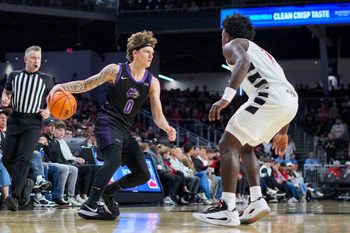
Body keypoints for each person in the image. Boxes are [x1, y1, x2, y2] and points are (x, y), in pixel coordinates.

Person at [48, 31, 176, 220]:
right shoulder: (115, 71)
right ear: (135, 53)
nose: (151, 56)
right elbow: (85, 84)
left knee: (143, 175)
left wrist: (167, 128)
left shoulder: (152, 82)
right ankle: (90, 204)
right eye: (147, 51)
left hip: (125, 130)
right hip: (107, 123)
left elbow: (157, 115)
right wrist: (61, 87)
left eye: (152, 52)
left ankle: (108, 192)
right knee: (113, 161)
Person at [193, 14, 298, 226]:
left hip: (269, 95)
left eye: (222, 32)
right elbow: (284, 86)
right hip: (291, 100)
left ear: (226, 33)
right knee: (245, 146)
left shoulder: (232, 44)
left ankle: (227, 208)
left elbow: (244, 62)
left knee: (226, 144)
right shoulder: (265, 53)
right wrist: (284, 131)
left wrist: (225, 99)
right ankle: (257, 200)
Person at [1, 45, 54, 211]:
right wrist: (4, 98)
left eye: (38, 58)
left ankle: (15, 197)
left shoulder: (46, 79)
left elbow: (52, 101)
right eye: (33, 58)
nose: (36, 61)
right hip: (15, 119)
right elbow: (6, 92)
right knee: (7, 159)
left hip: (33, 122)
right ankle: (27, 183)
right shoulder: (14, 76)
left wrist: (48, 111)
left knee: (24, 158)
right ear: (26, 59)